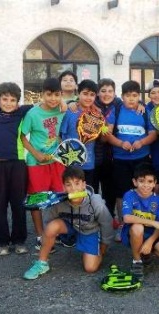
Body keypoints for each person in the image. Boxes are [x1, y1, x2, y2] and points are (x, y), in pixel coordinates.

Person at [23, 167, 114, 280]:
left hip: (90, 230)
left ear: (84, 185)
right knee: (52, 227)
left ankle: (95, 251)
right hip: (70, 226)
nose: (73, 189)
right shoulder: (58, 202)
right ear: (63, 187)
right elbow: (48, 223)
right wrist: (47, 239)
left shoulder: (95, 203)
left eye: (77, 184)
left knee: (91, 268)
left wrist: (103, 248)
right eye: (68, 185)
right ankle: (42, 263)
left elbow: (107, 225)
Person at [0, 82, 33, 256]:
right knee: (0, 206)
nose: (8, 103)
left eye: (12, 100)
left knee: (18, 205)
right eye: (5, 99)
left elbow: (48, 105)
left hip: (17, 165)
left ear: (18, 101)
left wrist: (67, 103)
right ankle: (2, 242)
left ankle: (19, 241)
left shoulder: (23, 111)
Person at [21, 77, 66, 251]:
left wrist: (65, 102)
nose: (53, 99)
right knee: (37, 200)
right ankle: (40, 235)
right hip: (36, 163)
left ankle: (59, 232)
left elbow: (76, 104)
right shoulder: (33, 113)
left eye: (57, 95)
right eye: (49, 95)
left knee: (60, 197)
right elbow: (23, 136)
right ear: (42, 95)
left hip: (57, 161)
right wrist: (37, 154)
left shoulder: (63, 110)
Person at [104, 80, 157, 229]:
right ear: (122, 96)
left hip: (142, 158)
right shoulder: (116, 110)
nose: (132, 99)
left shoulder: (145, 111)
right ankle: (123, 225)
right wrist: (121, 144)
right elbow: (107, 133)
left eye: (135, 95)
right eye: (128, 95)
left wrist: (142, 142)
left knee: (144, 190)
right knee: (122, 192)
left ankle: (145, 222)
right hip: (120, 159)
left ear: (139, 96)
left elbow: (153, 135)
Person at [121, 163, 159, 280]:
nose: (145, 185)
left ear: (155, 183)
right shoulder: (129, 195)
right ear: (135, 182)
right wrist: (153, 222)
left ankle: (146, 254)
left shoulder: (157, 200)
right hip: (133, 232)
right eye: (141, 181)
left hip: (151, 233)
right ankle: (137, 261)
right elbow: (127, 218)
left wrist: (150, 241)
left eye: (150, 182)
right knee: (138, 227)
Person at [57, 79, 100, 247]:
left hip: (89, 164)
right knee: (70, 199)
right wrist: (67, 155)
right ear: (78, 93)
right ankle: (68, 234)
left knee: (87, 199)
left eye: (91, 94)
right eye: (85, 93)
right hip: (71, 165)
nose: (88, 97)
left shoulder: (97, 114)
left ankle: (87, 233)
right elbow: (61, 136)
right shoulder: (70, 111)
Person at [93, 78, 122, 234]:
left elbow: (132, 102)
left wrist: (140, 106)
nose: (106, 94)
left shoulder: (118, 103)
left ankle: (109, 220)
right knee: (93, 190)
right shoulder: (92, 104)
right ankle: (94, 220)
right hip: (95, 153)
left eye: (110, 91)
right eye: (103, 91)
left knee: (109, 191)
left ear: (114, 92)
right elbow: (77, 102)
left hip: (112, 155)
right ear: (98, 92)